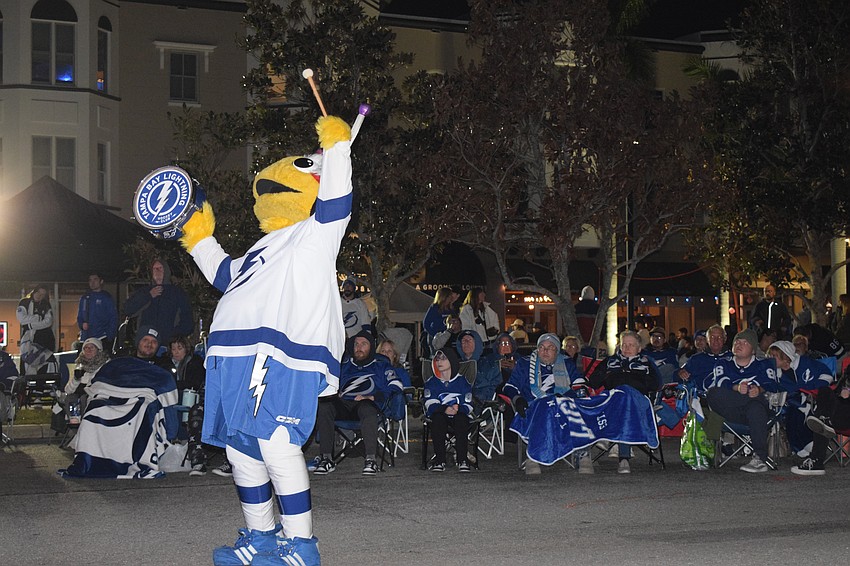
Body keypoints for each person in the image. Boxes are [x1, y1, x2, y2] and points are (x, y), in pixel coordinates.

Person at [179, 114, 354, 564]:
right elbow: (224, 273)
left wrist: (337, 149)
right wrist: (198, 238)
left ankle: (301, 546)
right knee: (240, 449)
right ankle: (261, 538)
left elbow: (337, 200)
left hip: (285, 354)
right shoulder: (262, 248)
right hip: (237, 356)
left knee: (277, 444)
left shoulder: (315, 233)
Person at [313, 330, 403, 476]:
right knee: (325, 405)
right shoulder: (344, 364)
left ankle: (371, 460)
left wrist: (373, 397)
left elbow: (397, 385)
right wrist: (334, 391)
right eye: (356, 344)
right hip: (344, 404)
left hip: (366, 406)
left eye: (364, 344)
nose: (359, 347)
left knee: (367, 407)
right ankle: (326, 459)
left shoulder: (381, 365)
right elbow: (329, 381)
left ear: (371, 347)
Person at [503, 333, 581, 474]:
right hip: (533, 406)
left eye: (550, 347)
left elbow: (579, 384)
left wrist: (570, 396)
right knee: (544, 406)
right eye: (541, 347)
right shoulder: (525, 363)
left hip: (562, 405)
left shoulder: (567, 363)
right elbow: (509, 387)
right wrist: (517, 399)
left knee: (582, 405)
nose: (545, 351)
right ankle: (533, 456)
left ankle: (583, 454)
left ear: (557, 351)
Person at [704, 328, 778, 473]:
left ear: (753, 350)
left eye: (745, 342)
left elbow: (772, 384)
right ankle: (754, 399)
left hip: (757, 413)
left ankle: (759, 459)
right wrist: (736, 388)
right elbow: (720, 382)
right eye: (737, 342)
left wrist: (759, 389)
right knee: (713, 393)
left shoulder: (764, 364)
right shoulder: (723, 363)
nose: (739, 344)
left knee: (756, 407)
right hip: (731, 411)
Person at [588, 330, 660, 474]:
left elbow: (656, 384)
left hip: (638, 403)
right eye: (624, 345)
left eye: (631, 345)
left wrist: (634, 380)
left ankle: (607, 437)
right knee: (622, 398)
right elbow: (593, 382)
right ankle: (624, 459)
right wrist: (606, 374)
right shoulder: (609, 361)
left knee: (626, 394)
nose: (627, 348)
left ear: (639, 348)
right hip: (613, 402)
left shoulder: (646, 363)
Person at [768, 340, 833, 457]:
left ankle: (805, 446)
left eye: (774, 356)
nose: (770, 359)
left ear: (785, 357)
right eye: (770, 356)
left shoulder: (805, 363)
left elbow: (827, 375)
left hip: (815, 399)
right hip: (792, 404)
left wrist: (812, 388)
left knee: (796, 414)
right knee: (793, 413)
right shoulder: (775, 374)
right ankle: (803, 447)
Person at [423, 348, 474, 472]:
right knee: (438, 418)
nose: (439, 362)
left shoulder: (462, 382)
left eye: (443, 359)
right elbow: (429, 403)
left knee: (461, 419)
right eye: (437, 359)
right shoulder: (432, 382)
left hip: (459, 415)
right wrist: (444, 409)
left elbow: (469, 404)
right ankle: (439, 460)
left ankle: (462, 460)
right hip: (440, 415)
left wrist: (459, 408)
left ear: (452, 361)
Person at [123, 258, 193, 345]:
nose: (157, 271)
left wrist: (173, 337)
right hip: (147, 345)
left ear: (166, 271)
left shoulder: (177, 293)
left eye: (160, 268)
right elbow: (128, 309)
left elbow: (187, 321)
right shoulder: (144, 291)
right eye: (155, 269)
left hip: (168, 345)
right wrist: (148, 295)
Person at [791, 373, 850, 476]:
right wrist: (846, 389)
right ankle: (824, 420)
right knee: (824, 391)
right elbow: (841, 386)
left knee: (822, 421)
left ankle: (816, 461)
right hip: (840, 413)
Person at [62, 337, 110, 425]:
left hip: (97, 396)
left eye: (92, 347)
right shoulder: (79, 365)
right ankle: (74, 426)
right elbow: (68, 390)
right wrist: (76, 379)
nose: (88, 350)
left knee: (84, 399)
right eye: (86, 348)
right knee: (70, 399)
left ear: (99, 350)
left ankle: (86, 426)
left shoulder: (105, 366)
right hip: (79, 398)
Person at [677, 324, 733, 394]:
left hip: (728, 397)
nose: (716, 340)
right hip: (702, 398)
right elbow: (678, 375)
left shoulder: (733, 358)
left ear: (725, 339)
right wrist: (681, 373)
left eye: (719, 337)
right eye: (712, 337)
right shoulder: (696, 359)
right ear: (707, 340)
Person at [16, 285, 55, 374]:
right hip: (28, 340)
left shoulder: (46, 305)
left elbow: (48, 322)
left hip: (43, 341)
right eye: (38, 292)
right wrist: (38, 318)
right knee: (25, 367)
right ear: (34, 292)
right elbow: (22, 319)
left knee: (42, 369)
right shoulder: (24, 302)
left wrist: (30, 325)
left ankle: (40, 383)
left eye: (42, 295)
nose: (39, 296)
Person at [76, 272, 118, 347]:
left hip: (102, 336)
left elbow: (113, 317)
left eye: (95, 279)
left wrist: (109, 336)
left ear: (101, 281)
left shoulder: (106, 298)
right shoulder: (84, 298)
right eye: (90, 280)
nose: (92, 283)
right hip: (86, 337)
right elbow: (80, 316)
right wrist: (82, 325)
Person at [459, 288, 501, 353]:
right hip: (476, 343)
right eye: (482, 293)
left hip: (489, 342)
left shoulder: (486, 308)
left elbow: (494, 318)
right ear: (476, 295)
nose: (484, 295)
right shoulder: (467, 310)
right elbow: (465, 327)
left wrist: (494, 329)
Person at [422, 287, 459, 352]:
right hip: (436, 337)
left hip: (447, 336)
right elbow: (426, 324)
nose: (451, 298)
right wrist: (434, 334)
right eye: (449, 296)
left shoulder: (450, 309)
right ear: (444, 297)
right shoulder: (435, 308)